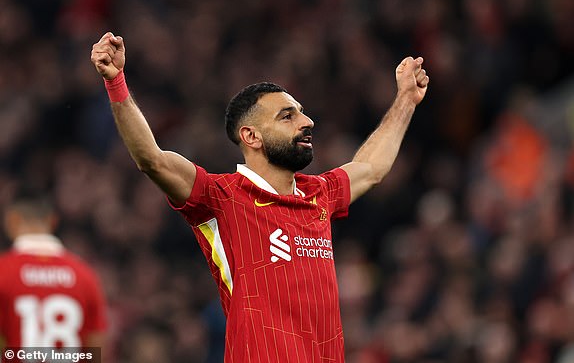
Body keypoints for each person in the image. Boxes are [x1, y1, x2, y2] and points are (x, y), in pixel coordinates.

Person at [90, 31, 429, 362]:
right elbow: (152, 159)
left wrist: (405, 101)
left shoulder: (319, 194)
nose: (307, 121)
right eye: (288, 116)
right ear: (251, 136)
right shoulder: (221, 197)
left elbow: (370, 168)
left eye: (301, 112)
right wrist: (116, 81)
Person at [0, 191, 107, 351]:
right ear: (53, 221)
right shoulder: (85, 274)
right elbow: (96, 346)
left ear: (12, 220)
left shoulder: (4, 271)